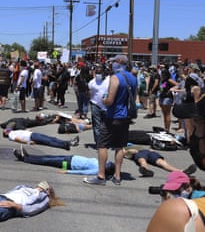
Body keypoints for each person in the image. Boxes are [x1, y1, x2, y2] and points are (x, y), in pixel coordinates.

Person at [84, 54, 137, 185]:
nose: (111, 64)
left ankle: (101, 176)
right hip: (125, 116)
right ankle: (117, 175)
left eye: (113, 62)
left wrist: (104, 99)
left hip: (113, 115)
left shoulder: (115, 78)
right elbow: (134, 98)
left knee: (102, 145)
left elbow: (109, 100)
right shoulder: (133, 78)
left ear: (119, 62)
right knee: (120, 146)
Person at [13, 145, 115, 176]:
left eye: (108, 164)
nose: (107, 162)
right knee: (49, 157)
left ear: (106, 168)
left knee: (47, 161)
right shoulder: (101, 163)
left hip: (70, 164)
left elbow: (83, 172)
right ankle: (29, 156)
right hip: (72, 158)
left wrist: (67, 171)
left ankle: (24, 158)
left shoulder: (98, 170)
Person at [124, 147, 197, 177]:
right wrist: (128, 151)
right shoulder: (125, 148)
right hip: (140, 152)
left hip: (149, 151)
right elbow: (124, 152)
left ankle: (182, 171)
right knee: (142, 160)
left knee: (162, 163)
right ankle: (145, 170)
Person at [88, 64, 109, 145]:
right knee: (97, 126)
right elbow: (89, 94)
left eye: (100, 72)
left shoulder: (109, 80)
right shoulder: (92, 82)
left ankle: (105, 141)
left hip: (107, 106)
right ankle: (99, 144)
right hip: (95, 105)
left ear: (104, 72)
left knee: (105, 126)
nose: (98, 74)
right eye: (97, 73)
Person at [3, 128, 79, 151]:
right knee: (49, 141)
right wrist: (28, 142)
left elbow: (20, 135)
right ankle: (67, 144)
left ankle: (66, 144)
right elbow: (17, 139)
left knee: (51, 139)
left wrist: (26, 131)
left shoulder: (12, 132)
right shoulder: (10, 135)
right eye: (5, 130)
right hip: (31, 137)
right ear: (6, 134)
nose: (7, 129)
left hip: (32, 135)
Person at [158, 68, 178, 133]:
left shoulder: (169, 80)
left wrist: (172, 89)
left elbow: (178, 85)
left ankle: (167, 130)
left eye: (163, 74)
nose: (162, 75)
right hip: (162, 97)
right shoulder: (163, 81)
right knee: (164, 114)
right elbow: (162, 89)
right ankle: (165, 128)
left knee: (167, 114)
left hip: (167, 98)